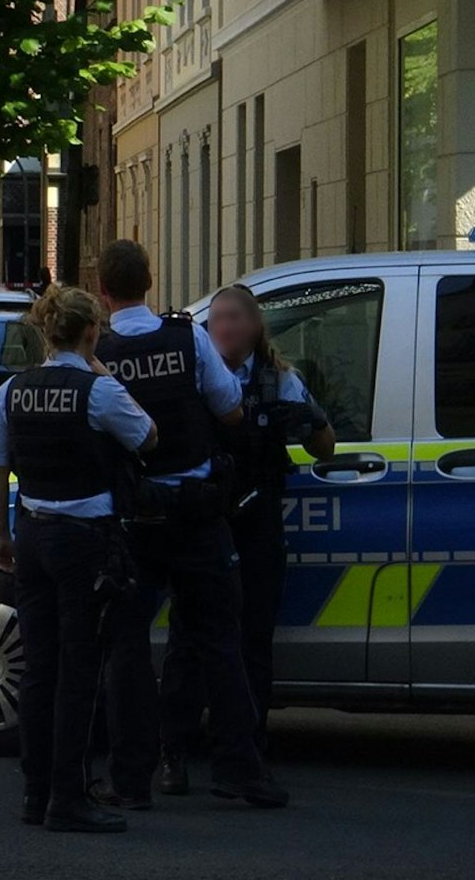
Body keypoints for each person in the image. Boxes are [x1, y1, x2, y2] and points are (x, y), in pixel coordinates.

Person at [93, 239, 289, 810]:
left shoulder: (98, 352)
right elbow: (230, 409)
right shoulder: (188, 338)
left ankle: (130, 780)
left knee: (128, 651)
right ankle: (239, 769)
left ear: (103, 291)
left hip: (131, 522)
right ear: (150, 281)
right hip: (197, 515)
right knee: (221, 641)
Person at [0, 286, 157, 834]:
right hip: (84, 542)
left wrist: (2, 538)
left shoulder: (12, 391)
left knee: (39, 670)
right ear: (90, 333)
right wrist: (100, 371)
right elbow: (148, 437)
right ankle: (68, 797)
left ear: (46, 332)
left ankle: (35, 792)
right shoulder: (98, 392)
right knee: (78, 672)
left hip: (31, 535)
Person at [160, 285, 337, 772]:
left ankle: (247, 750)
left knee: (253, 640)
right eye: (216, 319)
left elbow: (326, 447)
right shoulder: (193, 376)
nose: (223, 327)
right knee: (188, 638)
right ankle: (174, 751)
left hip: (257, 522)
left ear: (256, 327)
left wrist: (310, 419)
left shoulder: (278, 380)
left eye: (234, 317)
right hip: (204, 522)